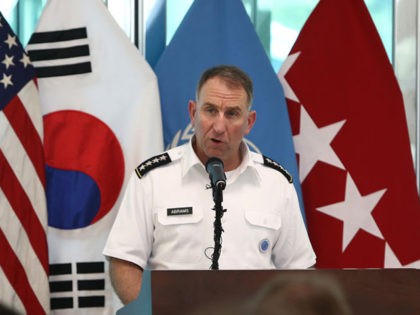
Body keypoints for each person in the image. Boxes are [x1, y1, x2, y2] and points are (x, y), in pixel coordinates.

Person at [103, 65, 316, 304]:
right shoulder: (152, 179)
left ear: (249, 122)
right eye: (210, 110)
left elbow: (299, 271)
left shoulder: (276, 183)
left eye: (232, 114)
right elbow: (125, 263)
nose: (218, 126)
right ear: (193, 113)